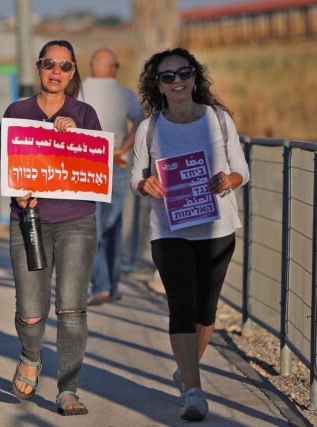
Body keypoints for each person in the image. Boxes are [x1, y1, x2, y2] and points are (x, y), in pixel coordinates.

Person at [130, 48, 249, 421]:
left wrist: (229, 179)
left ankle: (186, 371)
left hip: (217, 227)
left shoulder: (219, 119)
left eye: (184, 72)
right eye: (167, 76)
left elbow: (241, 168)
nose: (177, 80)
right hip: (169, 230)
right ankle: (194, 392)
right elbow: (136, 176)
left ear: (195, 78)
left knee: (206, 311)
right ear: (159, 86)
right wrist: (144, 184)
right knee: (180, 306)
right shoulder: (149, 128)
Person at [0, 39, 101, 416]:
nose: (57, 71)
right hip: (29, 222)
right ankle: (30, 356)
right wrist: (17, 196)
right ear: (39, 67)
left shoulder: (84, 113)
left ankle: (68, 389)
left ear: (73, 73)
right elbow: (1, 166)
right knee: (31, 310)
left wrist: (77, 139)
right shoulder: (17, 110)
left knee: (71, 310)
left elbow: (94, 172)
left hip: (76, 222)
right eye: (49, 63)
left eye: (65, 66)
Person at [80, 48, 143, 306]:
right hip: (117, 162)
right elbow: (141, 123)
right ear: (113, 67)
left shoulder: (79, 91)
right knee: (112, 227)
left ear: (93, 65)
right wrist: (121, 148)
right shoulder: (126, 94)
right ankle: (112, 285)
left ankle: (102, 285)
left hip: (86, 164)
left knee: (90, 226)